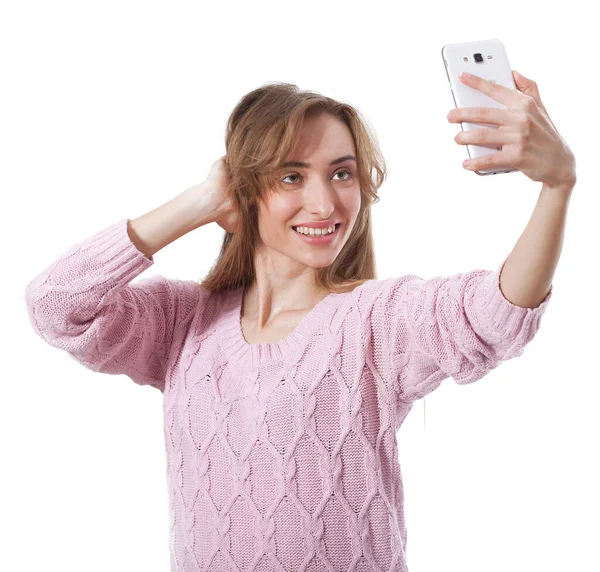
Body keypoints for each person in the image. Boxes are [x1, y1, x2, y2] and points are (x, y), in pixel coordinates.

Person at [24, 81, 553, 572]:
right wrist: (199, 203)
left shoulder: (373, 321)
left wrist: (557, 185)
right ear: (245, 188)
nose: (324, 204)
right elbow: (56, 304)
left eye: (341, 173)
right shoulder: (182, 324)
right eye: (291, 175)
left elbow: (494, 312)